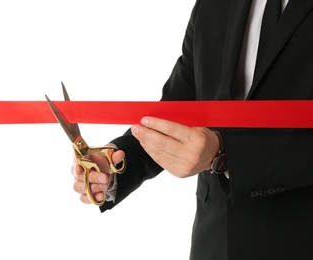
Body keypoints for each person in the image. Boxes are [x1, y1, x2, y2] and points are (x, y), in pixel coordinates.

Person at [72, 0, 313, 259]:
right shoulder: (213, 5)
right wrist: (117, 162)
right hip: (213, 241)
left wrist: (226, 155)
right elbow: (179, 107)